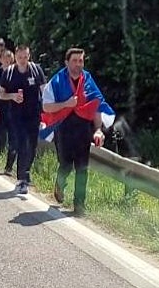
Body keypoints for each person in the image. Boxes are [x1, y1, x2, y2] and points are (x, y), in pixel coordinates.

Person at [41, 48, 115, 216]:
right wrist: (66, 104)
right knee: (66, 165)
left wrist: (98, 130)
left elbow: (96, 105)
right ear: (67, 62)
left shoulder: (88, 80)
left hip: (83, 128)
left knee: (82, 168)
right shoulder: (57, 81)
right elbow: (46, 106)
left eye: (81, 61)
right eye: (74, 61)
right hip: (64, 127)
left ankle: (79, 204)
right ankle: (60, 184)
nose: (78, 64)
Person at [0, 45, 46, 194]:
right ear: (15, 57)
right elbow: (1, 94)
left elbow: (44, 91)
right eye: (20, 57)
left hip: (34, 114)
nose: (23, 60)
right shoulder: (9, 72)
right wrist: (12, 96)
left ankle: (26, 172)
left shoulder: (36, 70)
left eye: (25, 57)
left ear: (29, 56)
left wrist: (46, 114)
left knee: (32, 147)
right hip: (16, 116)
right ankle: (22, 179)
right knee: (21, 146)